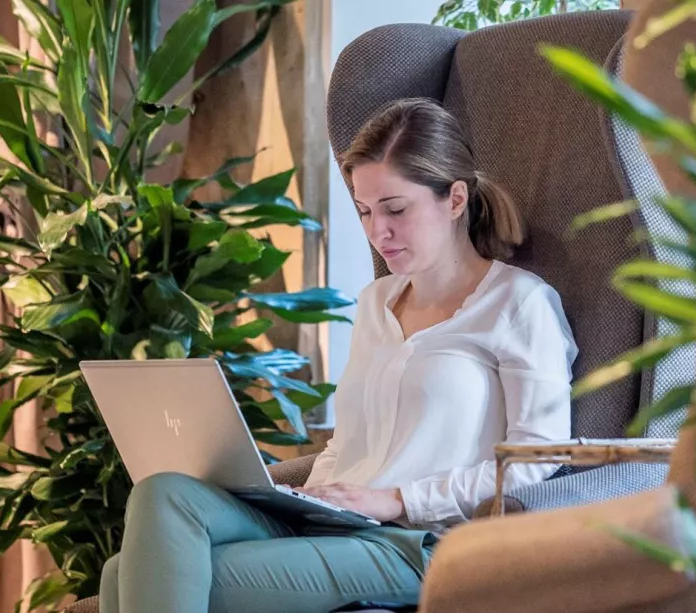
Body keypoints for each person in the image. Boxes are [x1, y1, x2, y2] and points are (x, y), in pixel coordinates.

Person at [99, 98, 578, 613]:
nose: (377, 232)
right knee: (161, 494)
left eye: (396, 209)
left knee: (144, 576)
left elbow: (538, 456)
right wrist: (307, 498)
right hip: (336, 523)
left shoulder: (519, 303)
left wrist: (398, 500)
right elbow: (348, 444)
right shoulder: (376, 302)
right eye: (365, 211)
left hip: (418, 543)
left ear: (455, 199)